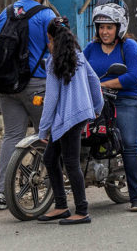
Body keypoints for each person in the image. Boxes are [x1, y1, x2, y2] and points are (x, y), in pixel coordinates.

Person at [0, 0, 57, 210]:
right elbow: (56, 50)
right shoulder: (46, 15)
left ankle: (1, 193)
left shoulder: (6, 13)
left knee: (11, 136)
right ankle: (53, 187)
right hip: (37, 85)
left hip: (7, 85)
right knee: (47, 133)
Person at [37, 19, 103, 225]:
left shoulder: (53, 64)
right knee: (50, 158)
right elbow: (95, 81)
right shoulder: (80, 57)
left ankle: (82, 211)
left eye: (48, 40)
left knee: (71, 162)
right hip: (79, 115)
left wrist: (42, 130)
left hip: (68, 118)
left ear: (52, 40)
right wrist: (97, 107)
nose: (47, 45)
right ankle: (61, 206)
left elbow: (50, 100)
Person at [83, 0, 137, 212]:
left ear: (119, 28)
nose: (104, 31)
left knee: (128, 143)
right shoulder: (91, 48)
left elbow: (133, 76)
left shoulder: (129, 46)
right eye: (101, 27)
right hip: (98, 101)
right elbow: (78, 69)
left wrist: (103, 84)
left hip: (127, 100)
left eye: (109, 27)